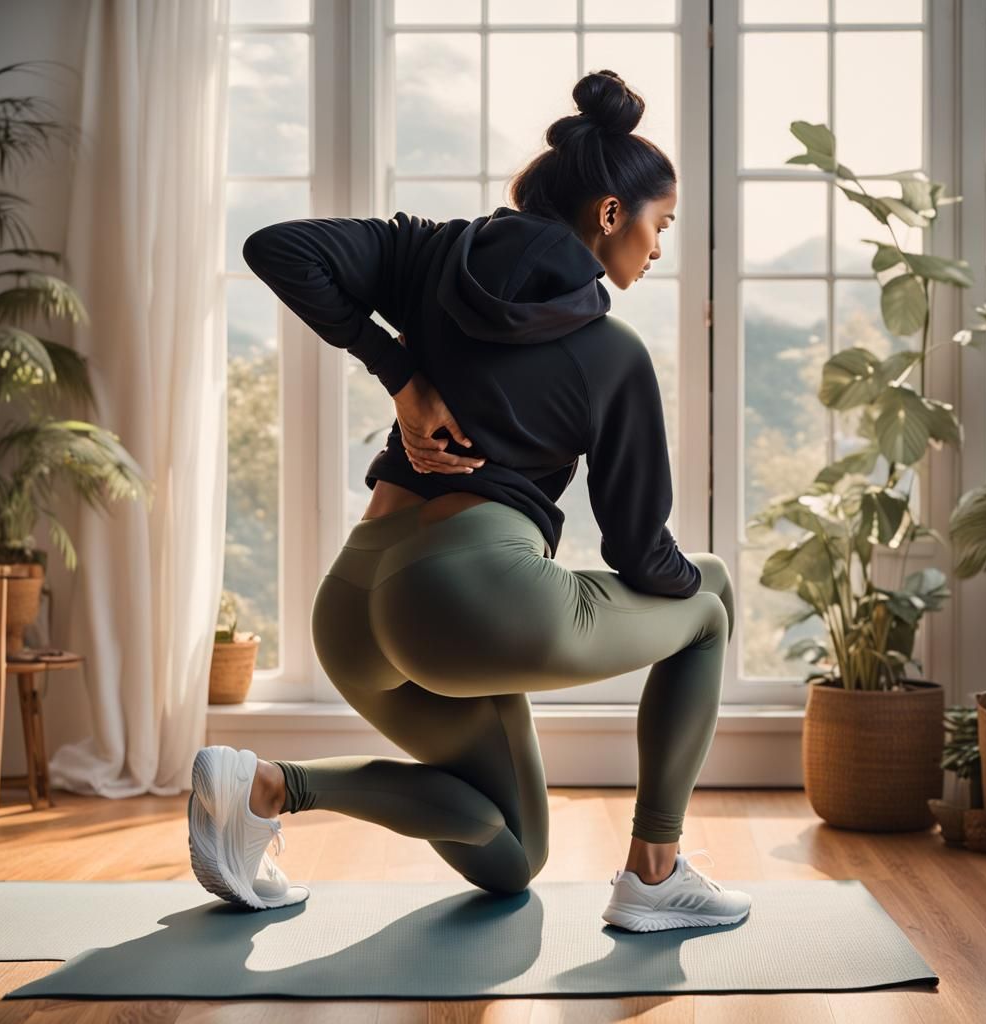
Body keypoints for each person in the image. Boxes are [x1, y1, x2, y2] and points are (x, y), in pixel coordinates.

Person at [188, 69, 750, 933]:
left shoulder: (428, 254)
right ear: (609, 214)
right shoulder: (612, 353)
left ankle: (267, 787)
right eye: (659, 226)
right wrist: (692, 587)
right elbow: (642, 553)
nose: (659, 248)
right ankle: (655, 872)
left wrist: (401, 371)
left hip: (352, 606)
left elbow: (279, 246)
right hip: (470, 602)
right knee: (710, 598)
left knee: (513, 856)